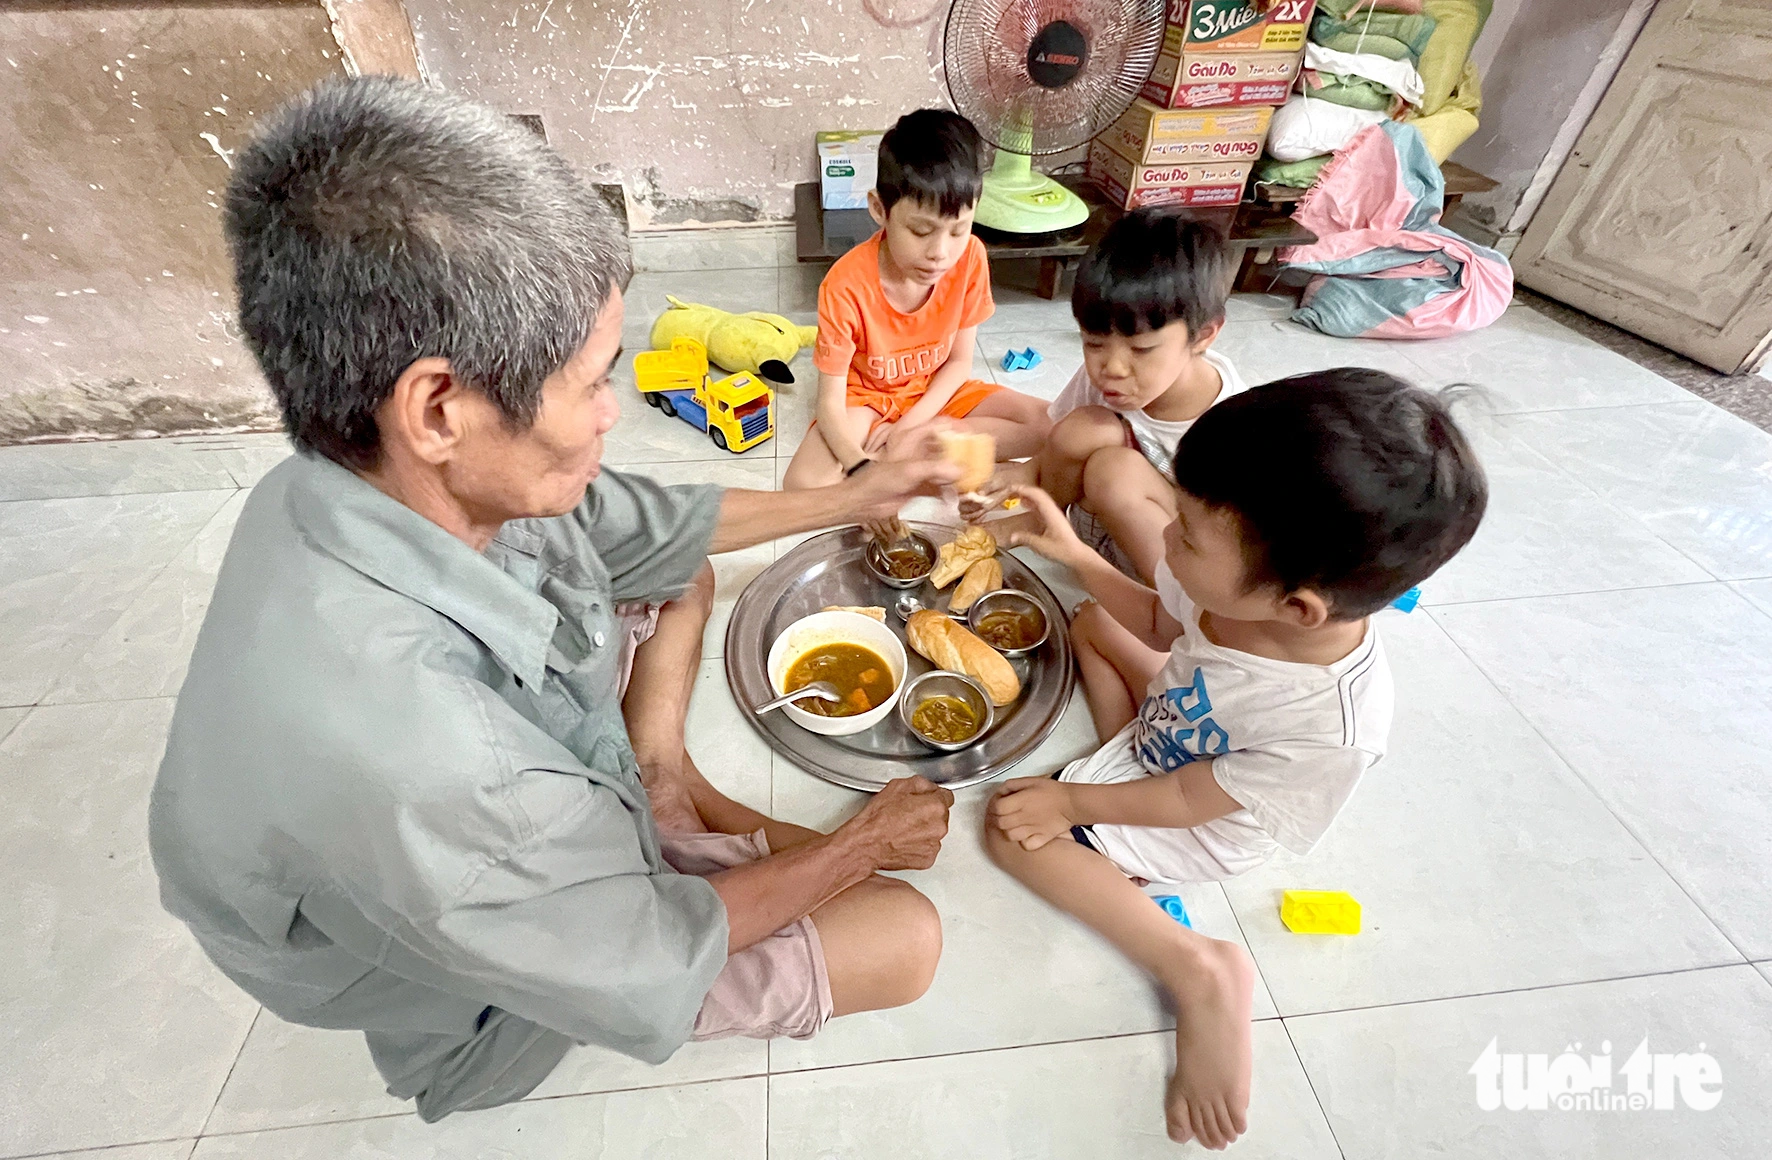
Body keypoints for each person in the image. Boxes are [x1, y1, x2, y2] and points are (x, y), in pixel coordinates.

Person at [148, 76, 965, 1124]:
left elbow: (650, 527)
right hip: (489, 980)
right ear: (437, 405)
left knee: (683, 572)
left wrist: (867, 490)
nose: (610, 415)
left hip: (485, 817)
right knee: (906, 937)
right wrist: (859, 844)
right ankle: (645, 830)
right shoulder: (445, 769)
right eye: (592, 382)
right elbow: (646, 951)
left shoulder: (348, 470)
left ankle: (660, 779)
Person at [982, 370, 1487, 1149]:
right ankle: (1111, 786)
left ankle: (1196, 968)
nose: (1165, 540)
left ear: (1297, 607)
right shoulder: (1230, 593)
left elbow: (1189, 800)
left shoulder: (1330, 725)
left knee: (1013, 830)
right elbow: (1155, 620)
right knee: (1089, 623)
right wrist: (1073, 550)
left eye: (1184, 534)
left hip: (1203, 815)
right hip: (1183, 730)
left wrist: (1073, 806)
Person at [964, 210, 1247, 584]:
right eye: (1093, 343)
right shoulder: (1105, 375)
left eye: (1142, 349)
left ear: (1204, 336)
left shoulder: (1234, 422)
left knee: (1116, 472)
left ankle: (1155, 604)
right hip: (1096, 527)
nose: (1112, 368)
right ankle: (1043, 518)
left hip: (1173, 563)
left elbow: (1225, 544)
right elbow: (1059, 444)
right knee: (1082, 428)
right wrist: (1020, 475)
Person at [781, 108, 1051, 490]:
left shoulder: (970, 257)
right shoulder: (845, 286)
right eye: (921, 230)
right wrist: (861, 467)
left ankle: (919, 451)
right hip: (867, 399)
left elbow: (958, 364)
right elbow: (828, 406)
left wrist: (910, 429)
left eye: (958, 230)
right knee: (803, 485)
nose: (940, 253)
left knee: (1051, 424)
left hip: (937, 391)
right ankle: (929, 456)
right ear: (879, 210)